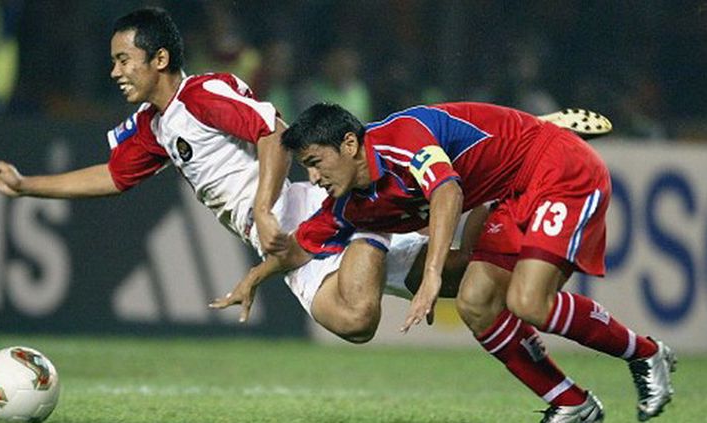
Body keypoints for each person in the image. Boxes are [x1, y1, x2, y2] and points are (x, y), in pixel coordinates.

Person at [0, 7, 477, 344]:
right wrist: (25, 185)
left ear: (159, 58)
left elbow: (272, 131)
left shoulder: (203, 95)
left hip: (301, 214)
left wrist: (261, 207)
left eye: (124, 60)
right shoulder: (154, 126)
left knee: (356, 318)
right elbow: (113, 178)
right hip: (277, 237)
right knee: (462, 282)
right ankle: (487, 252)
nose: (115, 72)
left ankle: (369, 226)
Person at [243, 102, 672, 422]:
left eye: (316, 163)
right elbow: (301, 245)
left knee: (529, 302)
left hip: (558, 168)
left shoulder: (401, 137)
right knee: (476, 301)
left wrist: (431, 277)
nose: (313, 178)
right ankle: (571, 402)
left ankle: (646, 353)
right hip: (509, 195)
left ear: (350, 144)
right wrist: (254, 277)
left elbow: (446, 191)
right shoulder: (351, 205)